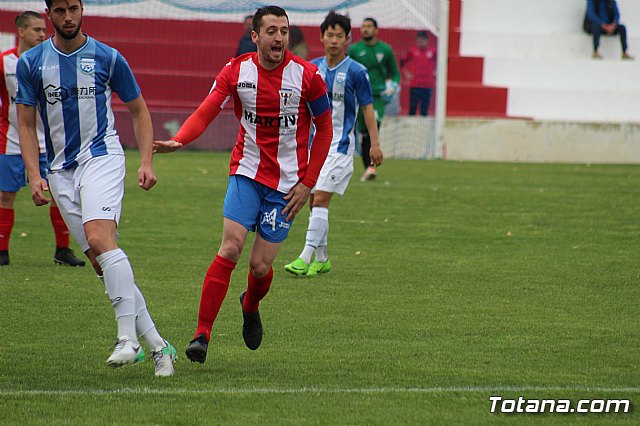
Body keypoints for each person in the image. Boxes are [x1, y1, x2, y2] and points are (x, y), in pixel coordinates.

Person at [154, 5, 333, 362]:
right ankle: (201, 335)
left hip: (286, 186)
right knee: (231, 248)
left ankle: (250, 305)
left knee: (260, 267)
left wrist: (307, 183)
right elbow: (207, 109)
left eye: (283, 30)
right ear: (255, 37)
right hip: (246, 172)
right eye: (271, 31)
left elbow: (325, 129)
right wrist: (181, 140)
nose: (279, 37)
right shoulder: (236, 71)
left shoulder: (308, 76)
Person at [16, 0, 176, 377]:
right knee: (100, 261)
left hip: (102, 157)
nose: (68, 17)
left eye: (73, 8)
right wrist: (33, 173)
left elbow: (139, 110)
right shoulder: (32, 63)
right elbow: (25, 123)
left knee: (100, 238)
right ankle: (157, 346)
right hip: (59, 171)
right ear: (48, 15)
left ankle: (127, 339)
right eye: (60, 10)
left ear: (82, 9)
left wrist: (146, 162)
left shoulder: (108, 57)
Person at [284, 11, 383, 277]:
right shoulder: (313, 68)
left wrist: (374, 143)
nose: (334, 41)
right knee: (314, 199)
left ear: (348, 39)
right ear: (322, 37)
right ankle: (323, 257)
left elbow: (367, 108)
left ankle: (304, 258)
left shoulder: (357, 72)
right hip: (315, 148)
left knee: (320, 200)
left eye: (340, 36)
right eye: (330, 35)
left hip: (340, 148)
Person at [0, 11, 85, 267]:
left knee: (61, 194)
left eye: (42, 29)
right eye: (36, 29)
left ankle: (63, 250)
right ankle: (2, 251)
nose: (41, 34)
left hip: (51, 142)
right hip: (11, 139)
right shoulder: (4, 61)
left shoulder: (52, 59)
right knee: (5, 195)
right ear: (21, 32)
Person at [348, 17, 400, 182]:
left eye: (369, 26)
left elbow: (395, 72)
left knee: (373, 129)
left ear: (376, 30)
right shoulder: (354, 50)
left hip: (377, 97)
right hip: (357, 97)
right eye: (363, 26)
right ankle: (368, 168)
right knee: (363, 134)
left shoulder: (386, 49)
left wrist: (394, 85)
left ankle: (370, 167)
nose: (365, 29)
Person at [403, 30, 436, 116]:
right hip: (415, 85)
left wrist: (437, 71)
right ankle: (411, 127)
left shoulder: (432, 51)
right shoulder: (412, 51)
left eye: (423, 39)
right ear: (416, 40)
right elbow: (402, 62)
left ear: (427, 41)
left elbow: (443, 60)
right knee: (412, 109)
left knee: (424, 111)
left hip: (427, 85)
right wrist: (406, 73)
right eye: (419, 39)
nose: (421, 41)